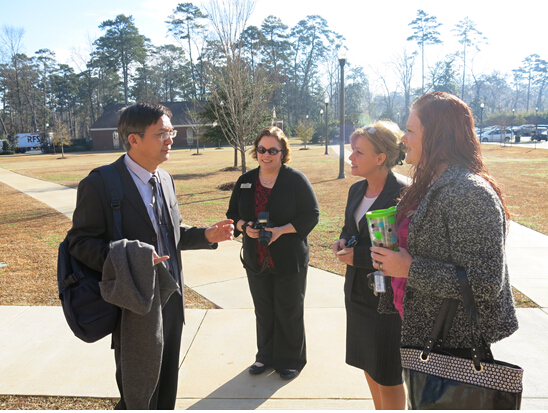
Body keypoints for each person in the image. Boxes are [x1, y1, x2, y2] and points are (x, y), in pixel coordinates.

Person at [67, 102, 234, 409]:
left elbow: (170, 234)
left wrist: (207, 235)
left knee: (166, 387)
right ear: (133, 139)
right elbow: (80, 243)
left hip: (171, 299)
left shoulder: (166, 179)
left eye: (170, 131)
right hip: (134, 305)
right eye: (162, 133)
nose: (171, 137)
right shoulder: (100, 183)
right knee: (138, 393)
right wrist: (133, 260)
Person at [371, 92, 518, 363]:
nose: (403, 138)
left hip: (454, 343)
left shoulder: (469, 192)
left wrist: (408, 268)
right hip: (424, 334)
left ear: (437, 136)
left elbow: (486, 281)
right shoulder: (427, 185)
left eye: (410, 130)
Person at [226, 126, 319, 380]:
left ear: (283, 153)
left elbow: (312, 214)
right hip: (256, 258)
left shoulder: (295, 180)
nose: (266, 155)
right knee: (264, 310)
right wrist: (245, 227)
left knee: (289, 309)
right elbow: (232, 214)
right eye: (261, 149)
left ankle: (290, 360)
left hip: (288, 257)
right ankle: (264, 357)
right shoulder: (246, 181)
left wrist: (281, 231)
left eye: (272, 150)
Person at [332, 121, 407, 410]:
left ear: (381, 158)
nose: (350, 157)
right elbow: (349, 228)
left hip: (387, 300)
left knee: (387, 373)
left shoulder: (404, 194)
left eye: (358, 152)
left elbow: (402, 250)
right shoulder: (356, 190)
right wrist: (342, 242)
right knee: (368, 363)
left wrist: (358, 257)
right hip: (357, 294)